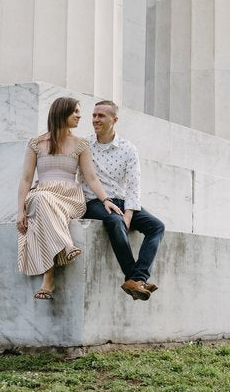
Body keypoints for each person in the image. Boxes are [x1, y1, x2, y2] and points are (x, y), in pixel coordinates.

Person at [17, 97, 122, 300]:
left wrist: (106, 199)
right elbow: (26, 178)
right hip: (43, 194)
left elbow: (91, 177)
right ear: (61, 113)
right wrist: (20, 211)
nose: (80, 116)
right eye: (75, 111)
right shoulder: (36, 143)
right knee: (40, 199)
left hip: (69, 198)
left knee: (41, 202)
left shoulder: (81, 144)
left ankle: (49, 279)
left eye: (79, 112)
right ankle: (63, 251)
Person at [81, 100, 165, 301]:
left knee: (157, 226)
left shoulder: (128, 148)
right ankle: (134, 278)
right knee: (115, 221)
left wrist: (129, 213)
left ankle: (137, 278)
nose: (95, 120)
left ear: (114, 119)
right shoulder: (85, 145)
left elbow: (134, 183)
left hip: (122, 202)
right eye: (94, 115)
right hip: (95, 202)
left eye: (101, 116)